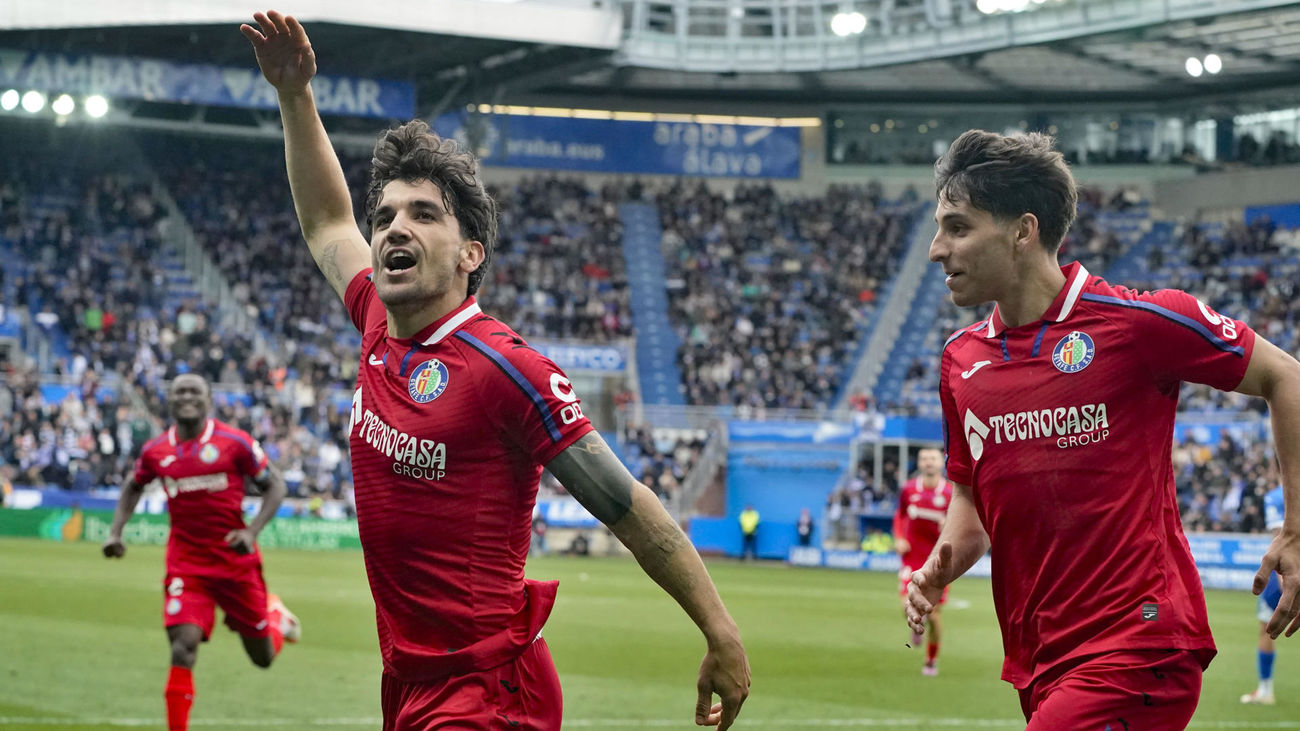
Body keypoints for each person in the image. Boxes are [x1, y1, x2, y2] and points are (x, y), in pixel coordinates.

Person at [241, 11, 748, 730]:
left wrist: (720, 631)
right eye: (385, 216)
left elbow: (627, 505)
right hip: (411, 679)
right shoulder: (379, 324)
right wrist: (296, 96)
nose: (393, 229)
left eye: (423, 214)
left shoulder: (508, 370)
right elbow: (328, 223)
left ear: (470, 252)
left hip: (488, 690)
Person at [907, 129, 1300, 729]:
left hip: (1140, 646)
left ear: (1023, 230)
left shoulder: (1138, 324)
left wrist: (1297, 529)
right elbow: (973, 499)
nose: (937, 249)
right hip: (1042, 658)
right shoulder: (961, 361)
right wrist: (940, 564)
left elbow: (1286, 377)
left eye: (958, 227)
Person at [102, 373, 299, 731]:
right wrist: (116, 531)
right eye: (180, 392)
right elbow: (133, 485)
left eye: (195, 391)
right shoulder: (156, 451)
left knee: (262, 658)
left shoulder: (234, 442)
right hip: (187, 566)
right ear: (170, 400)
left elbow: (276, 487)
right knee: (182, 646)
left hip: (235, 564)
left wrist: (251, 531)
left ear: (209, 399)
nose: (187, 397)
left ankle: (276, 620)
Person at [893, 447, 952, 676]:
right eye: (924, 458)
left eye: (933, 458)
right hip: (911, 558)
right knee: (904, 606)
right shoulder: (909, 489)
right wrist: (898, 537)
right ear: (919, 462)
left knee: (935, 615)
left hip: (938, 563)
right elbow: (900, 515)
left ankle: (931, 659)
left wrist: (948, 527)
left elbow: (959, 526)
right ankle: (916, 629)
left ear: (941, 462)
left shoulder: (949, 493)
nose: (928, 462)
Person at [1242, 480, 1287, 705]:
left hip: (1289, 573)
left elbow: (1280, 539)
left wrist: (1282, 580)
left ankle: (1265, 690)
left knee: (1266, 629)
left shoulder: (1277, 496)